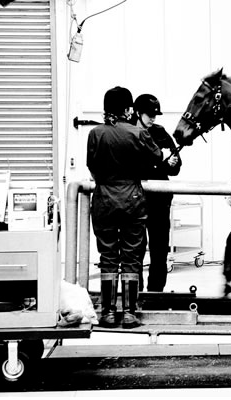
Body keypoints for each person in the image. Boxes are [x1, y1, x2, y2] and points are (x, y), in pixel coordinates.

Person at [87, 86, 162, 328]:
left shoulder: (95, 134)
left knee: (108, 257)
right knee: (131, 258)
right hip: (132, 201)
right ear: (129, 109)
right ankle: (130, 312)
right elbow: (157, 158)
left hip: (104, 201)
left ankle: (107, 312)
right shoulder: (138, 133)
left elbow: (92, 167)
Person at [132, 94, 181, 292]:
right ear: (137, 113)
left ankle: (156, 293)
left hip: (159, 199)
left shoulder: (160, 132)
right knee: (135, 249)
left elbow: (176, 165)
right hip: (136, 199)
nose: (153, 118)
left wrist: (170, 164)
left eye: (155, 115)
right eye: (149, 115)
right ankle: (135, 292)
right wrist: (160, 165)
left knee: (159, 250)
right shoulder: (129, 132)